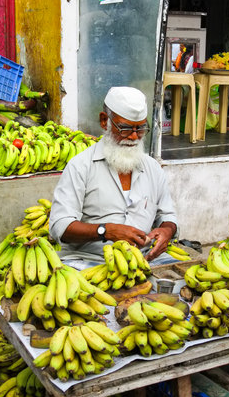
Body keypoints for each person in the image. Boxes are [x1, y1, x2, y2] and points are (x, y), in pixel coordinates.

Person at [49, 87, 178, 266]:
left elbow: (168, 215)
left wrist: (166, 231)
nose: (134, 136)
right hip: (90, 261)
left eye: (140, 128)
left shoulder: (152, 169)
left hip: (145, 260)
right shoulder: (81, 166)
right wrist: (105, 230)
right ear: (104, 121)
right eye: (124, 128)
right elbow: (60, 226)